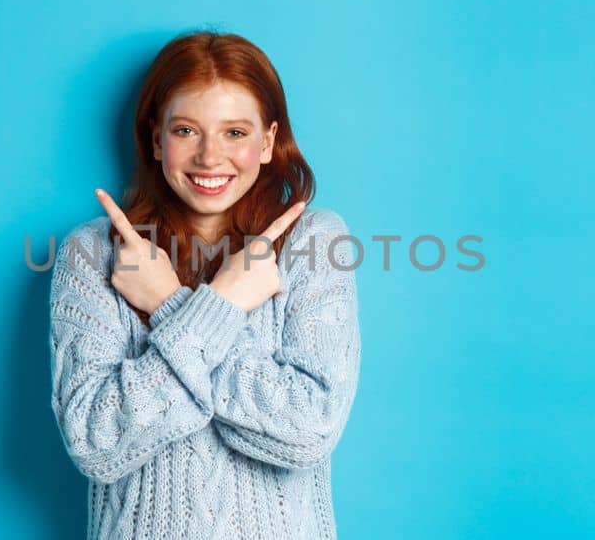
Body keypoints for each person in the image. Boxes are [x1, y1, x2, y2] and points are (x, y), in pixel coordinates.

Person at [47, 30, 363, 539]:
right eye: (187, 131)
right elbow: (96, 442)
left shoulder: (314, 242)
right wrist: (221, 305)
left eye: (235, 133)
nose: (210, 157)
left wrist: (171, 305)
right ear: (156, 139)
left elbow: (310, 430)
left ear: (267, 141)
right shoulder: (94, 252)